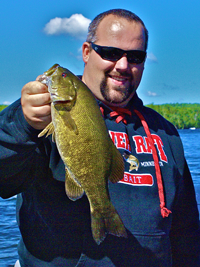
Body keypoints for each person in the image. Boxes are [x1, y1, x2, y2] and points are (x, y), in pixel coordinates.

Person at [0, 8, 199, 267]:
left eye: (135, 57)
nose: (123, 65)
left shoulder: (166, 133)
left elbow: (186, 230)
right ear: (86, 52)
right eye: (111, 53)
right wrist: (22, 124)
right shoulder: (44, 117)